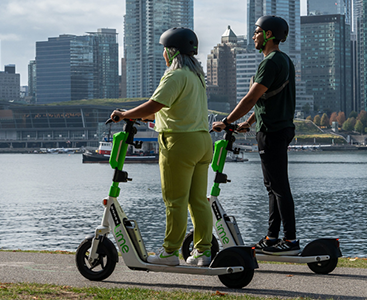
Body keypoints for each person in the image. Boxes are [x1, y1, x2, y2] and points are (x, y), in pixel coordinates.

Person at [110, 27, 213, 266]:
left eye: (164, 50)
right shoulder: (196, 77)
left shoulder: (174, 75)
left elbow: (154, 104)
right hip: (202, 141)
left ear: (171, 51)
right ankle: (203, 251)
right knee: (198, 200)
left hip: (179, 143)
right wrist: (144, 118)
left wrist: (125, 115)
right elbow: (175, 111)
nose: (163, 55)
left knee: (174, 200)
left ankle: (169, 252)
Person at [212, 15, 299, 256]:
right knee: (273, 186)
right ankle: (272, 237)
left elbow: (251, 97)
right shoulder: (284, 61)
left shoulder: (270, 62)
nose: (254, 36)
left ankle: (290, 239)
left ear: (269, 34)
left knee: (279, 186)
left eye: (257, 32)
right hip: (275, 127)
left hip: (272, 131)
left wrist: (227, 121)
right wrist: (248, 123)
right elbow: (267, 98)